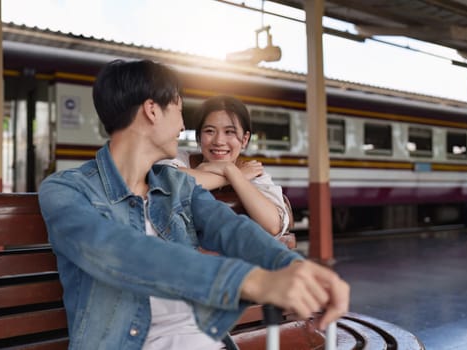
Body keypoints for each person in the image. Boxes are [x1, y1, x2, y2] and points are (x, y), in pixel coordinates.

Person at [38, 59, 349, 350]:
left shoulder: (176, 186)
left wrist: (294, 267)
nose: (183, 125)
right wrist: (251, 281)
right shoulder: (67, 191)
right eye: (178, 109)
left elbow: (233, 231)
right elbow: (120, 253)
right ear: (152, 111)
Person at [165, 95, 289, 237]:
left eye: (229, 132)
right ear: (198, 137)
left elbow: (273, 225)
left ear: (245, 139)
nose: (219, 141)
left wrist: (230, 172)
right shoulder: (178, 159)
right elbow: (169, 182)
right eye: (209, 131)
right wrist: (233, 174)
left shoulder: (254, 173)